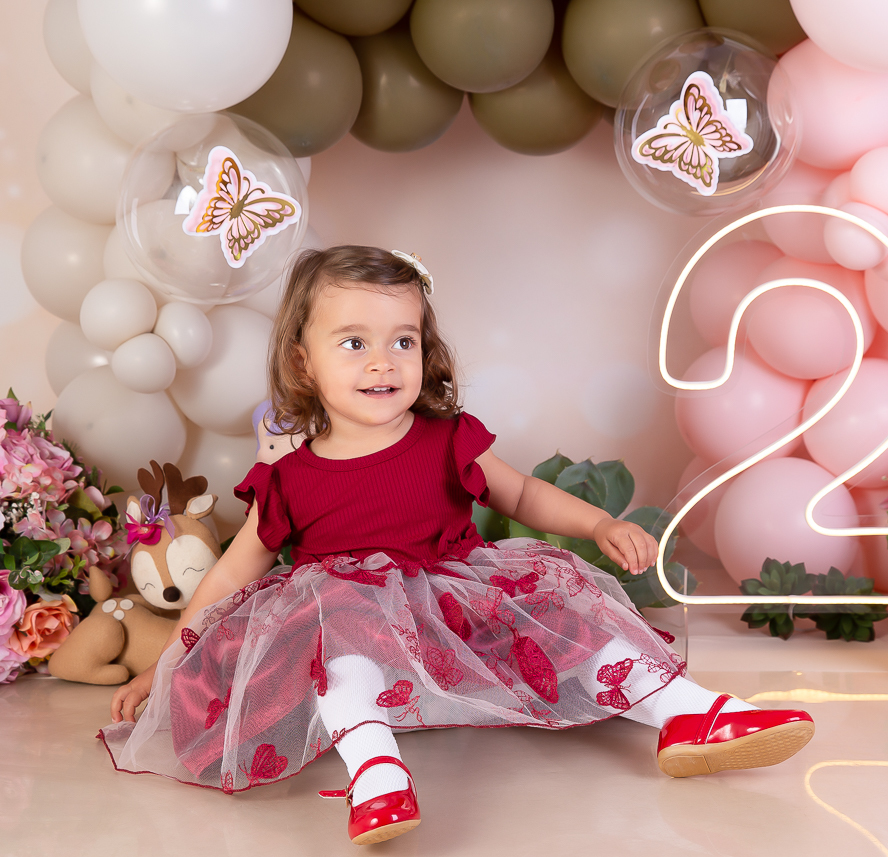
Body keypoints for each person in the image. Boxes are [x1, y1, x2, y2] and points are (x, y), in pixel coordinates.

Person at [102, 246, 814, 846]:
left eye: (402, 341)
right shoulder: (289, 478)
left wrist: (598, 525)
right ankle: (375, 770)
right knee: (338, 624)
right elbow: (230, 573)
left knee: (563, 609)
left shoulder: (446, 438)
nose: (383, 362)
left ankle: (685, 711)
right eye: (354, 342)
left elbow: (522, 495)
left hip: (457, 613)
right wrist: (168, 662)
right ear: (303, 362)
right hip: (356, 634)